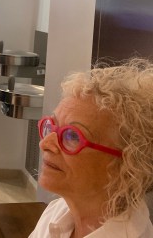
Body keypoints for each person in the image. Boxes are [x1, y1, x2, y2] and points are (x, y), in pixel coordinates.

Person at [30, 59, 153, 237]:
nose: (45, 144)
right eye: (51, 125)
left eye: (72, 136)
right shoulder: (58, 212)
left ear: (128, 166)